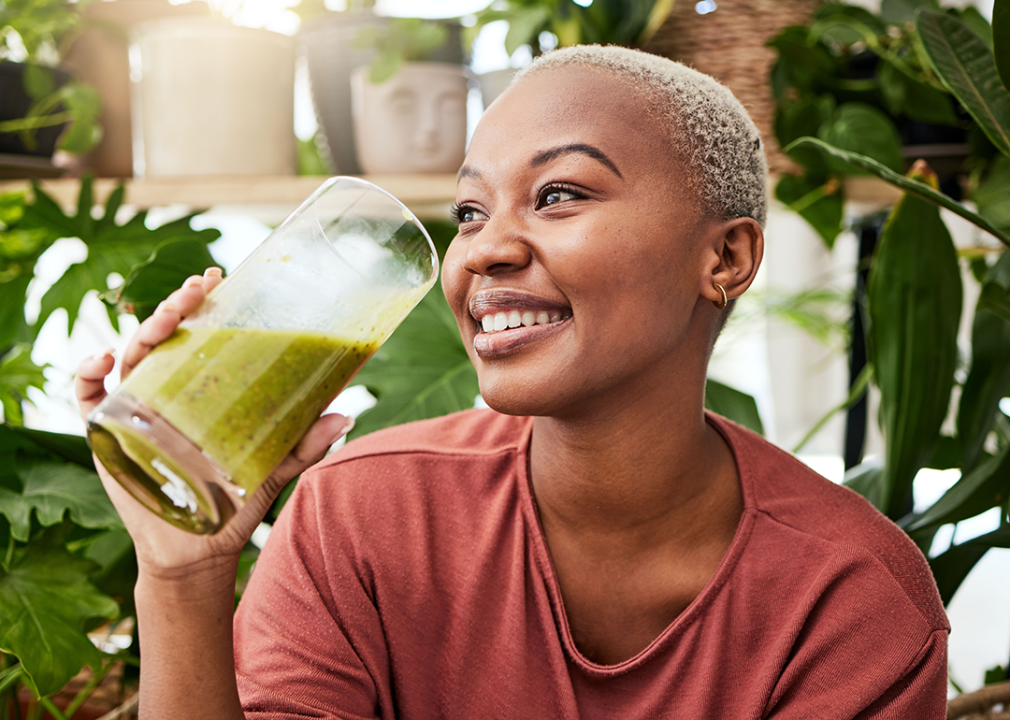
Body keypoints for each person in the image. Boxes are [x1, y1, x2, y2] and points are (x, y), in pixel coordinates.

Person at [76, 45, 949, 719]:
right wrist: (180, 576)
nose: (486, 248)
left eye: (560, 193)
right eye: (469, 211)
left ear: (725, 256)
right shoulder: (360, 515)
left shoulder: (850, 600)